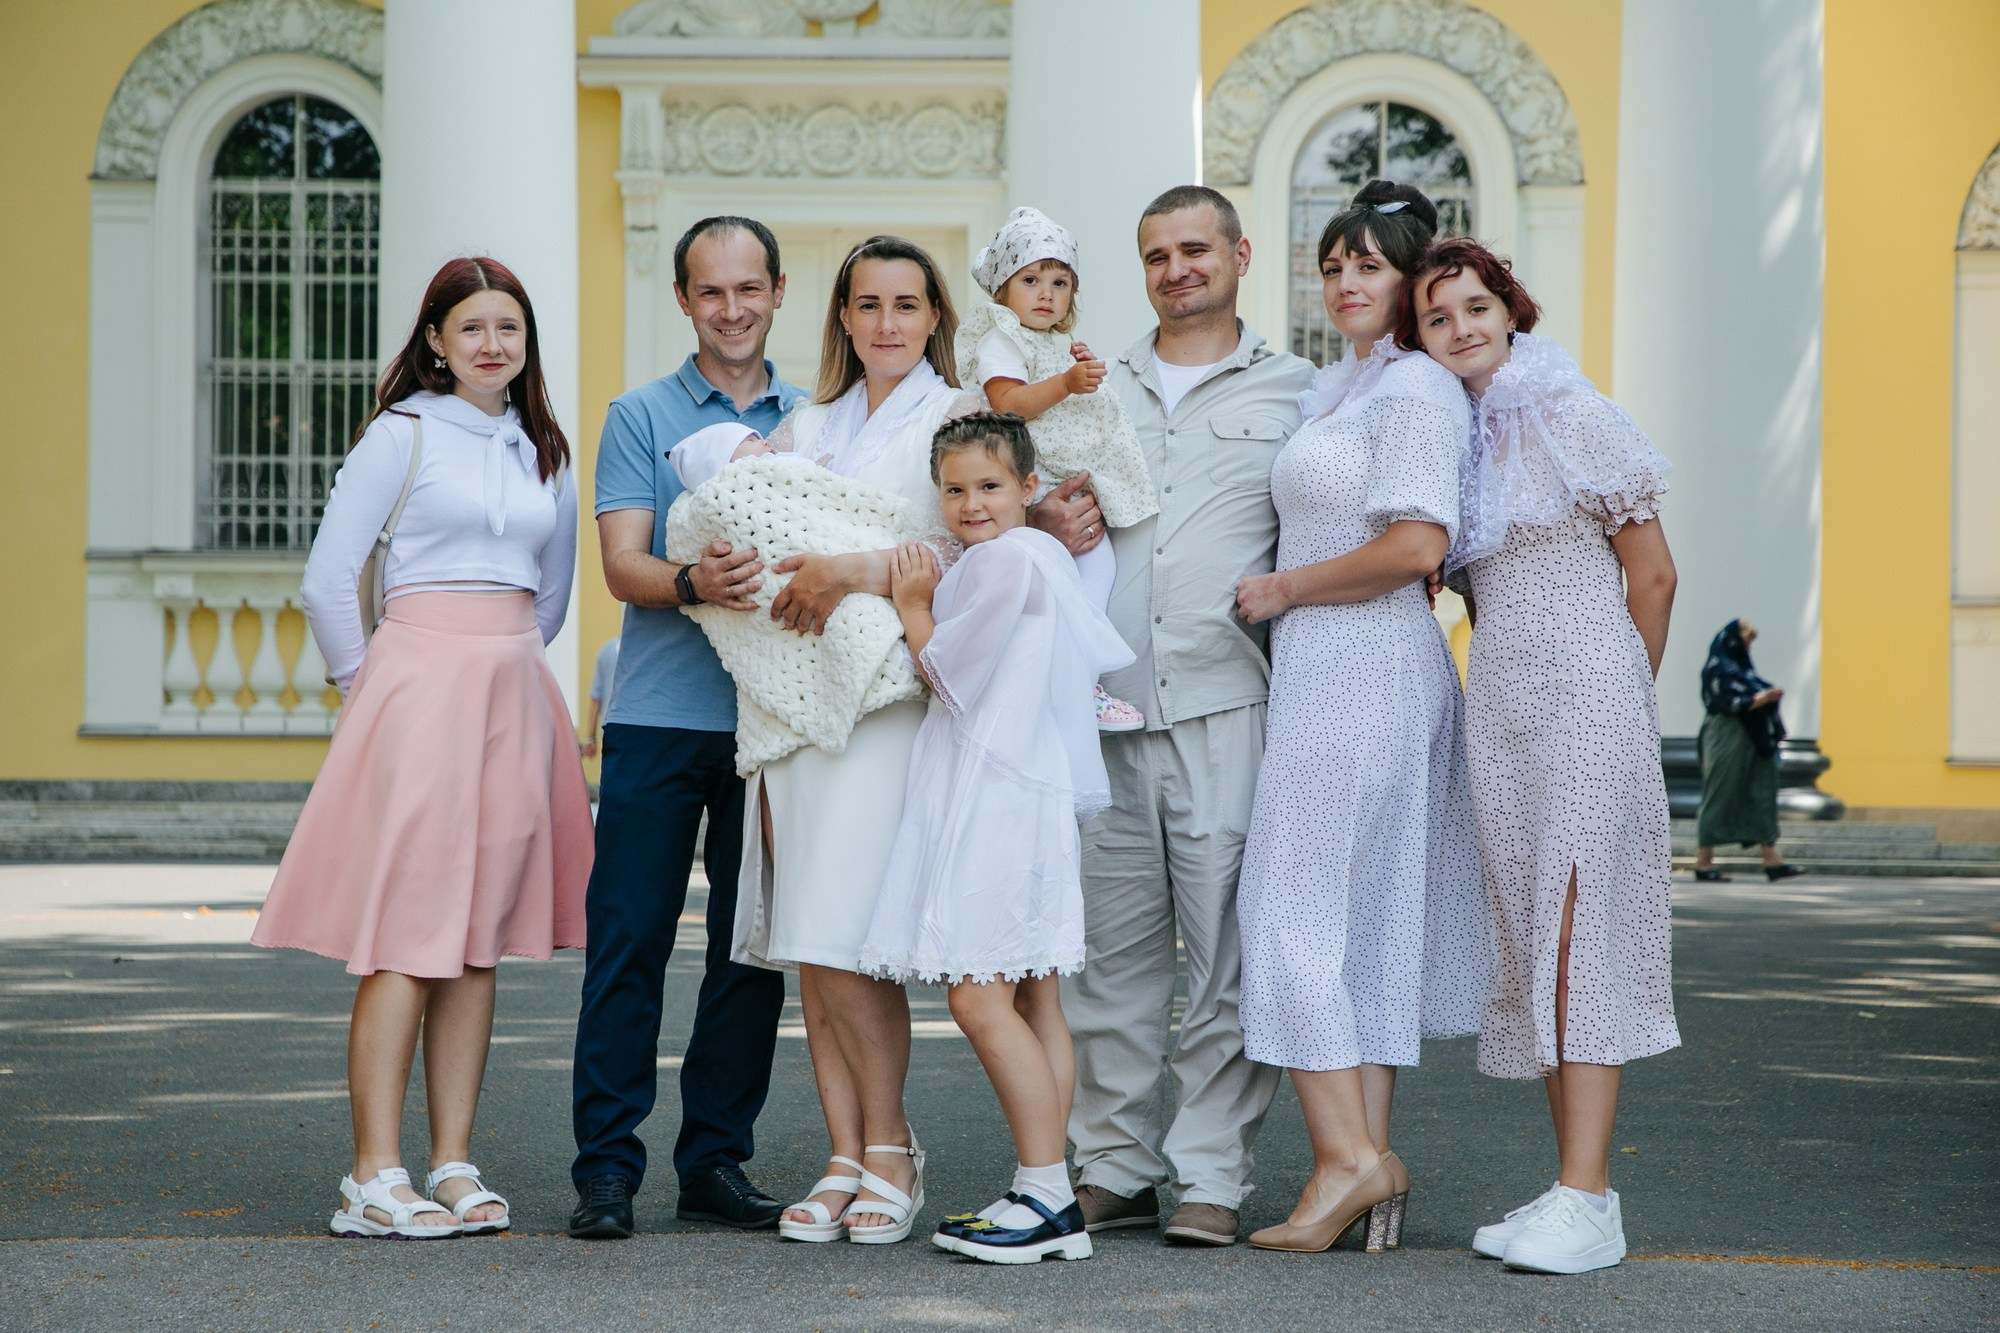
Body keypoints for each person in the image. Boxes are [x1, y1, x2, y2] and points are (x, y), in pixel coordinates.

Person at [254, 256, 588, 1240]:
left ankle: (450, 1160)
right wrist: (369, 688)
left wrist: (509, 659)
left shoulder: (546, 450)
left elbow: (553, 590)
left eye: (510, 329)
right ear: (435, 341)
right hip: (415, 685)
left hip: (511, 690)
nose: (494, 344)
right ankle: (372, 1172)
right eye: (473, 327)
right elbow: (328, 578)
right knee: (406, 932)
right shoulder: (400, 435)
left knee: (474, 939)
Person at [1030, 185, 1314, 1247]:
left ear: (1239, 253)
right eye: (1155, 255)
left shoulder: (1298, 390)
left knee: (1225, 959)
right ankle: (1111, 1164)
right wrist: (1037, 511)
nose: (1176, 268)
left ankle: (1209, 1174)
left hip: (1227, 702)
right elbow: (1017, 501)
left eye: (1195, 249)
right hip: (1101, 708)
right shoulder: (1091, 386)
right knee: (1107, 963)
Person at [1230, 181, 1491, 1255]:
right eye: (1332, 263)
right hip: (1340, 666)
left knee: (1282, 907)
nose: (1343, 280)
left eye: (1368, 266)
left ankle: (1346, 1159)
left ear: (1410, 280)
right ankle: (1364, 1167)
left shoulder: (1415, 391)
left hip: (1360, 663)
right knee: (1361, 921)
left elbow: (1417, 548)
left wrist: (1281, 590)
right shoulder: (1346, 387)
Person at [1410, 236, 1680, 1274]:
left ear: (1508, 309)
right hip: (1502, 702)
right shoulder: (1459, 435)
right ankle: (1569, 1184)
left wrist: (1617, 697)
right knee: (1533, 937)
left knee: (1575, 933)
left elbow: (1650, 575)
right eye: (1437, 318)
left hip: (1587, 688)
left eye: (1475, 307)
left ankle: (1589, 1196)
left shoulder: (1568, 408)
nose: (1460, 328)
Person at [731, 235, 983, 1246]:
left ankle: (890, 1147)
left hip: (881, 704)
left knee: (853, 938)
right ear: (841, 316)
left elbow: (970, 537)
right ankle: (841, 1150)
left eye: (906, 305)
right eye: (868, 304)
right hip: (792, 703)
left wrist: (850, 567)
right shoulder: (805, 424)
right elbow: (756, 530)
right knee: (809, 942)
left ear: (933, 319)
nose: (886, 322)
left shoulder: (959, 413)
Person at [569, 217, 807, 1241]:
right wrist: (690, 581)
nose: (731, 309)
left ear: (777, 291)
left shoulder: (816, 418)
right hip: (659, 718)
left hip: (769, 722)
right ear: (682, 300)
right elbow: (621, 564)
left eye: (747, 288)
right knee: (628, 940)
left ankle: (713, 1158)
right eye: (710, 292)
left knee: (748, 953)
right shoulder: (638, 414)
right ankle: (605, 1170)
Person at [856, 413, 1134, 1264]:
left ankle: (1048, 1193)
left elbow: (948, 674)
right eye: (954, 488)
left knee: (979, 996)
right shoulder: (1044, 556)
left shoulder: (1006, 559)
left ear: (1026, 487)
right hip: (1029, 786)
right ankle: (1044, 1185)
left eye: (989, 486)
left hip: (998, 793)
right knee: (1035, 997)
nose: (971, 503)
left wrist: (910, 605)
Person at [957, 206, 1156, 732]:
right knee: (1082, 574)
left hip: (1061, 470)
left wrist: (1081, 372)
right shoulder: (1002, 337)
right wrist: (1068, 383)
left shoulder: (1052, 342)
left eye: (1059, 280)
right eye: (1030, 279)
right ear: (1003, 290)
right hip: (1034, 476)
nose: (1046, 292)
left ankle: (1072, 675)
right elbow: (1007, 403)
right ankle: (1075, 678)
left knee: (1095, 572)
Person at [1694, 620, 1801, 882]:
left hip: (1754, 737)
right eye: (1746, 641)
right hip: (1727, 735)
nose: (1749, 647)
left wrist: (1765, 697)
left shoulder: (1741, 669)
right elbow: (1725, 701)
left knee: (1761, 792)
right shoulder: (1718, 667)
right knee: (1720, 793)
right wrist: (1762, 698)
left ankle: (1772, 859)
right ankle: (1704, 861)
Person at [582, 635, 620, 759]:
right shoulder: (642, 652)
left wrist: (590, 738)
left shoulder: (606, 651)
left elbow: (596, 700)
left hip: (609, 726)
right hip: (637, 726)